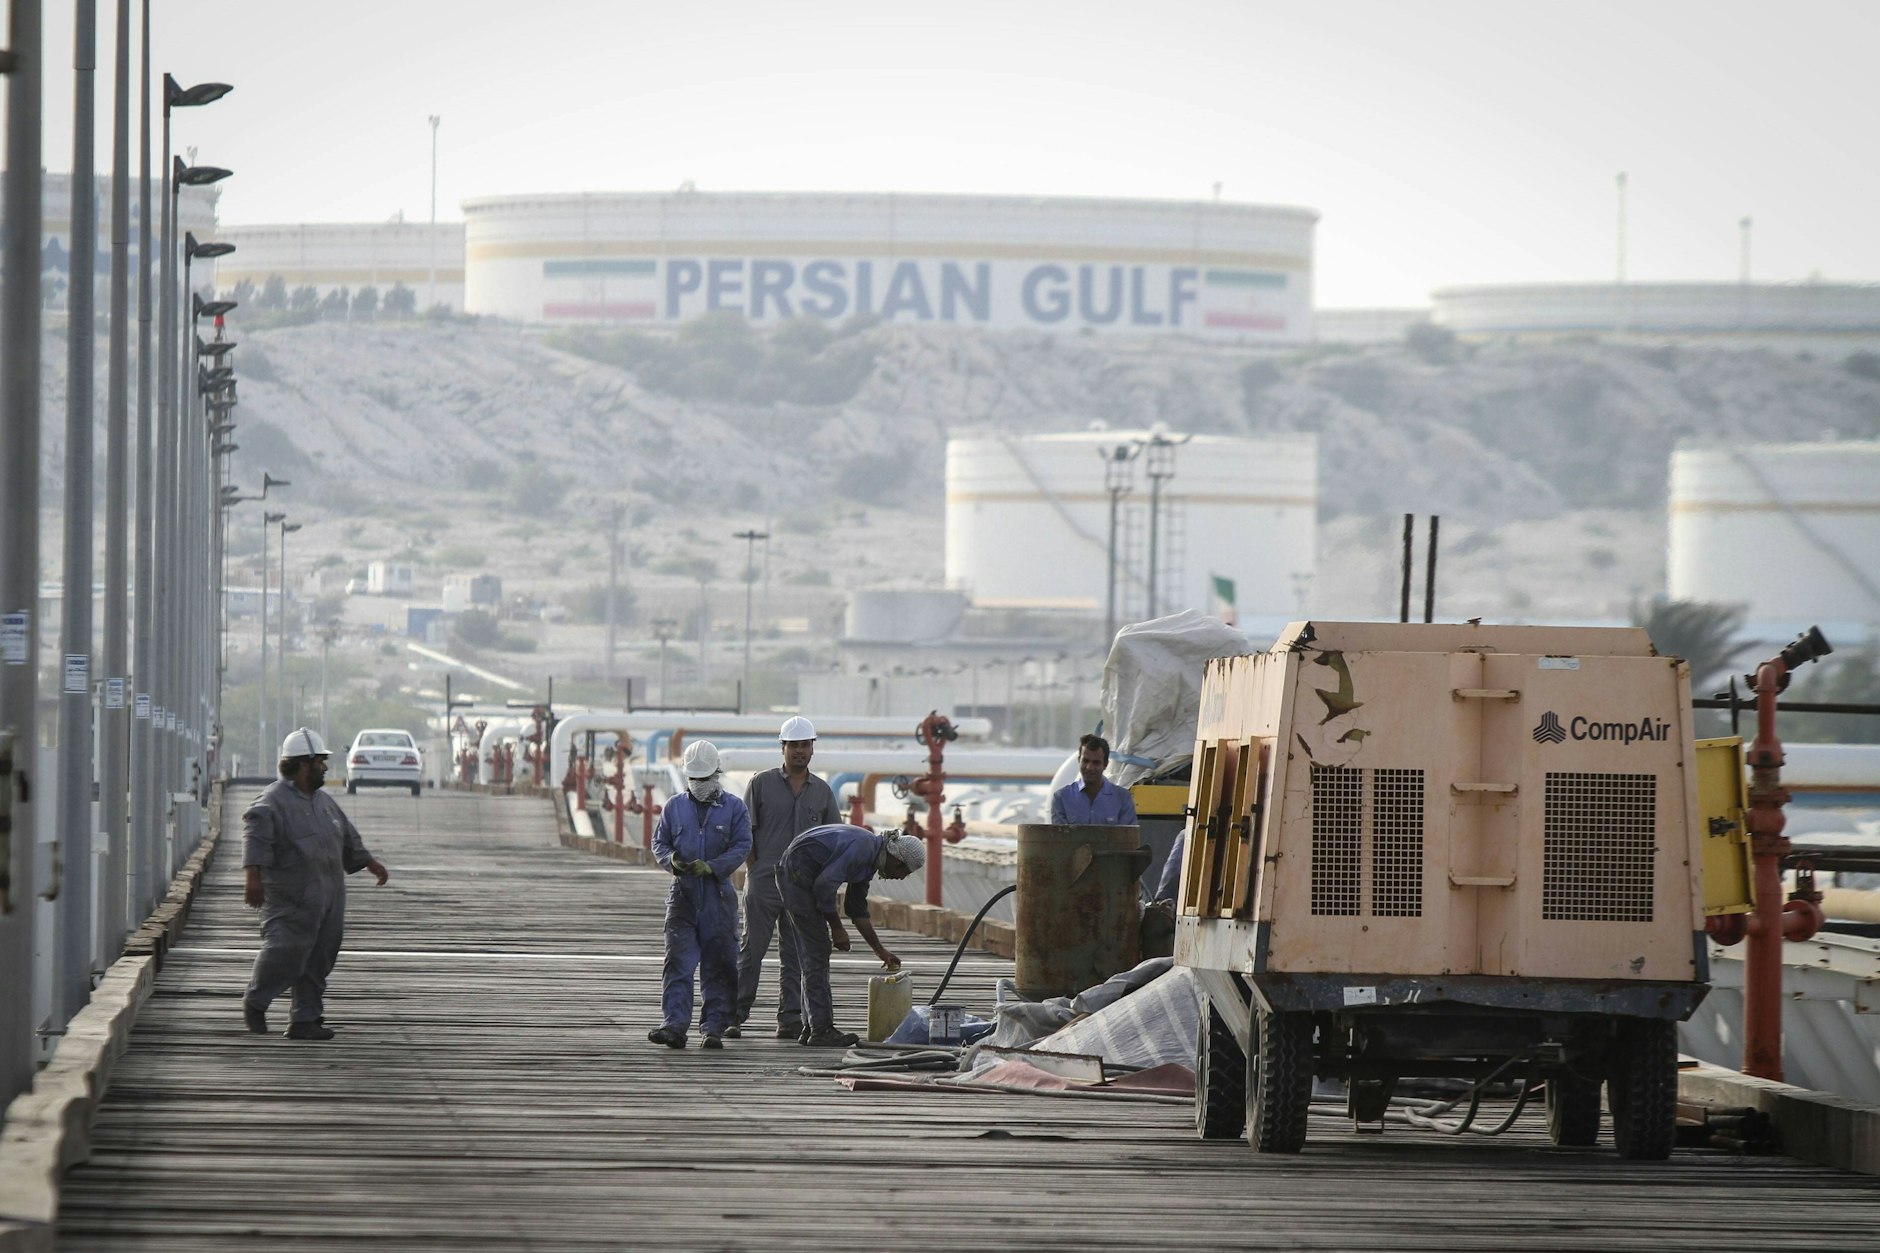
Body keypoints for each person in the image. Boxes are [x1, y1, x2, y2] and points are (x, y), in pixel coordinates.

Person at [241, 727, 390, 1041]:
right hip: (290, 897)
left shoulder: (324, 802)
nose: (324, 767)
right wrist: (253, 879)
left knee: (321, 956)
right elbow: (256, 839)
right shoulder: (271, 802)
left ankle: (305, 1020)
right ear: (302, 764)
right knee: (285, 951)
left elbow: (347, 836)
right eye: (320, 762)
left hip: (329, 895)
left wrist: (369, 863)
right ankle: (256, 1000)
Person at [734, 716, 841, 1040]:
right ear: (783, 747)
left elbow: (834, 839)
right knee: (752, 951)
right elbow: (744, 832)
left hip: (802, 887)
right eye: (793, 745)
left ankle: (790, 1018)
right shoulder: (761, 783)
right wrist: (755, 868)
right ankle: (734, 1015)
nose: (799, 751)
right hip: (765, 881)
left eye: (805, 745)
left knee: (794, 956)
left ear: (812, 749)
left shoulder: (822, 792)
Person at [775, 823, 924, 1047]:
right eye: (903, 871)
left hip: (796, 873)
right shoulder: (862, 848)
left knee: (813, 953)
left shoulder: (870, 858)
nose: (901, 877)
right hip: (797, 875)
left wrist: (880, 950)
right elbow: (824, 886)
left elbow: (856, 908)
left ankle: (811, 1026)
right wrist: (837, 927)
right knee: (816, 951)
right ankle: (821, 1029)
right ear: (895, 858)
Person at [649, 740, 752, 1050]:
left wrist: (713, 867)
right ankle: (674, 1025)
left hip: (718, 898)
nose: (699, 785)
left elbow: (742, 845)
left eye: (704, 779)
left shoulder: (735, 808)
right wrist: (673, 861)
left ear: (716, 774)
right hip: (683, 897)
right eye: (694, 779)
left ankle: (714, 1028)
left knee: (719, 963)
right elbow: (660, 843)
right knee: (678, 961)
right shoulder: (674, 807)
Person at [1051, 733, 1139, 825]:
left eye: (1096, 762)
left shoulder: (1123, 799)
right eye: (1085, 761)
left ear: (1105, 764)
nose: (1089, 767)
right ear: (1079, 761)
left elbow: (1127, 837)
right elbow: (1058, 837)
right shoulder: (1061, 798)